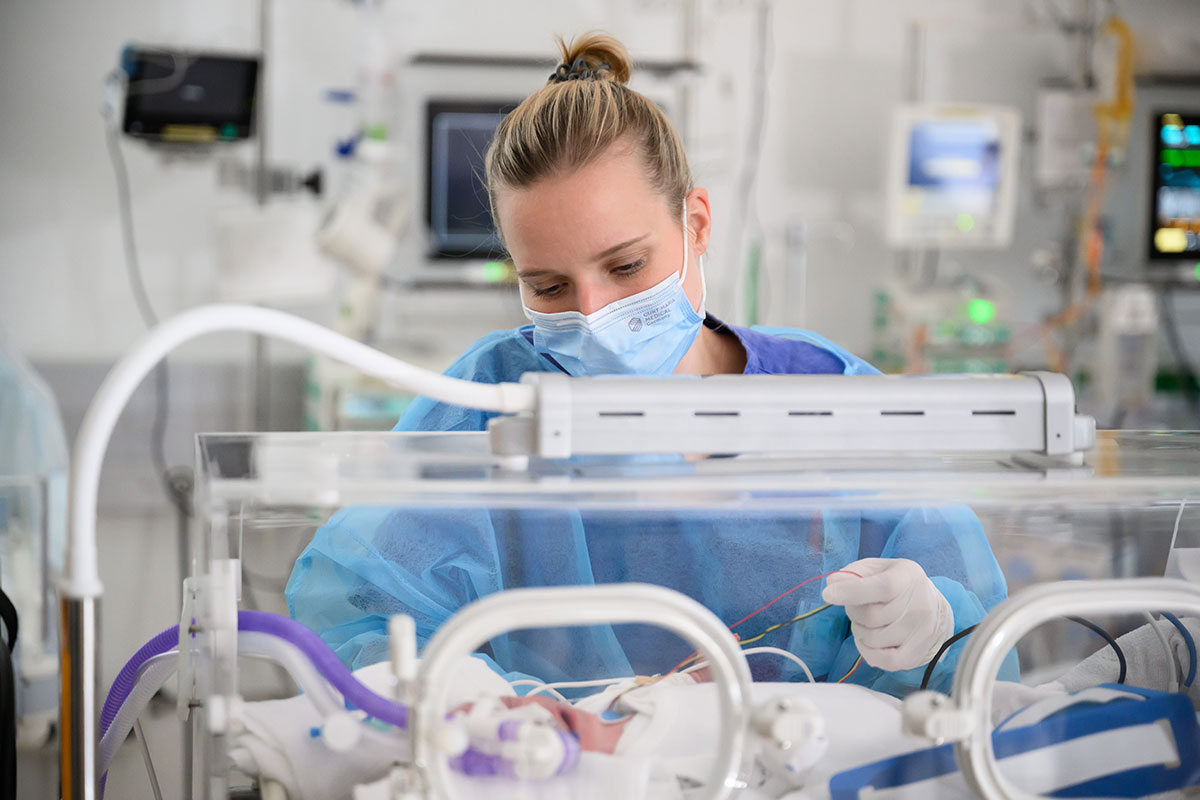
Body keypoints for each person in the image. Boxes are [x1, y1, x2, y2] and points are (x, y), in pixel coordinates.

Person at [286, 32, 1016, 696]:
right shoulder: (487, 404)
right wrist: (496, 706)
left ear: (696, 224)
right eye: (547, 286)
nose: (594, 315)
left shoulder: (829, 399)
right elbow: (360, 622)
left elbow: (970, 672)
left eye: (627, 266)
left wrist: (936, 622)